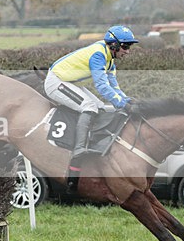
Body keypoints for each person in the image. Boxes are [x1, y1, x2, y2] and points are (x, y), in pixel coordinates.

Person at [43, 25, 139, 186]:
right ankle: (79, 148)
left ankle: (91, 142)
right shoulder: (98, 55)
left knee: (100, 106)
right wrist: (120, 103)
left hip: (67, 81)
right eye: (125, 46)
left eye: (129, 47)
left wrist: (126, 100)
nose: (127, 51)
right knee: (89, 106)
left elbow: (114, 87)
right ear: (114, 45)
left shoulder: (110, 61)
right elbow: (101, 86)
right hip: (56, 82)